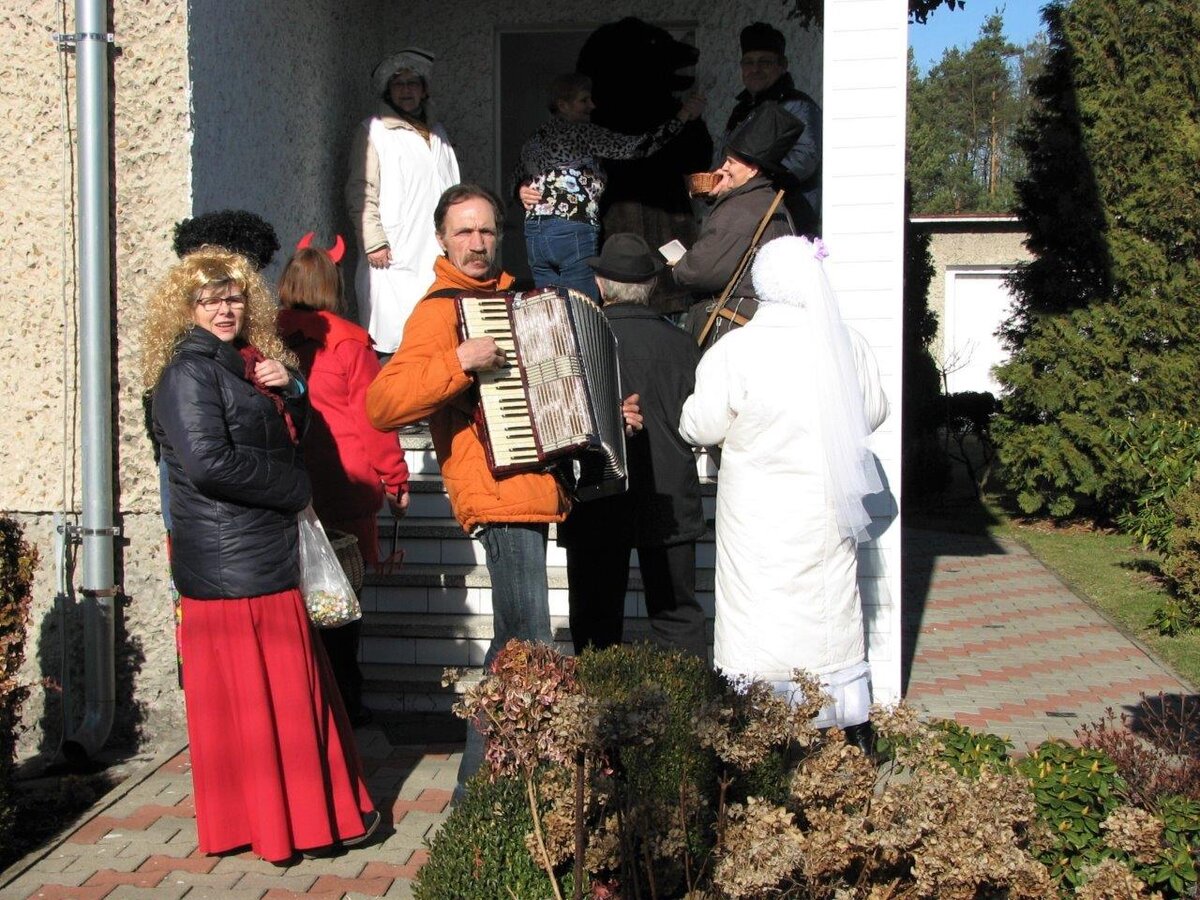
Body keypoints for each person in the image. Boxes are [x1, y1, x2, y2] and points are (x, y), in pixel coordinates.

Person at [365, 184, 642, 798]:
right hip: (497, 492)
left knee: (513, 644)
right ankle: (492, 795)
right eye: (463, 232)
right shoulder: (439, 312)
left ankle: (486, 794)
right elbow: (383, 405)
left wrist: (606, 416)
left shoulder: (525, 301)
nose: (477, 243)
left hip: (537, 490)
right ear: (442, 239)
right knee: (530, 646)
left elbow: (561, 395)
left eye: (486, 230)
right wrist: (459, 361)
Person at [143, 247, 378, 862]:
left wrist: (292, 387)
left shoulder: (243, 362)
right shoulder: (188, 373)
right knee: (265, 703)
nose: (225, 309)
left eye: (234, 297)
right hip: (232, 564)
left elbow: (280, 433)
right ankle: (288, 827)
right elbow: (208, 463)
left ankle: (293, 822)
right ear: (186, 308)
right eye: (210, 300)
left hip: (256, 551)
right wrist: (295, 489)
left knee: (283, 701)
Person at [678, 235, 889, 746]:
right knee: (829, 605)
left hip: (757, 511)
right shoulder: (848, 344)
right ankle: (848, 720)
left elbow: (700, 425)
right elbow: (874, 411)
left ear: (760, 285)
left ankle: (753, 725)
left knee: (755, 610)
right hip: (825, 506)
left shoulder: (736, 350)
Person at [277, 239, 411, 728]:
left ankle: (304, 701)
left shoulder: (268, 338)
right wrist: (395, 478)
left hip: (287, 489)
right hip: (344, 488)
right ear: (333, 286)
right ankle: (345, 703)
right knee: (341, 601)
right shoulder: (350, 341)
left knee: (294, 603)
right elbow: (374, 421)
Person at [558, 233, 707, 660]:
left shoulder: (574, 342)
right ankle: (687, 699)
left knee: (595, 620)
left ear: (600, 285)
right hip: (669, 494)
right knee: (677, 617)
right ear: (652, 285)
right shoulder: (682, 345)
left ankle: (598, 701)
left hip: (596, 492)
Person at [516, 72, 704, 302]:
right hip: (572, 227)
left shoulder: (535, 138)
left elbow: (518, 177)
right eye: (584, 100)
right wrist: (682, 116)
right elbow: (637, 147)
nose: (592, 106)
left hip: (535, 231)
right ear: (562, 105)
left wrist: (520, 191)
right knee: (583, 305)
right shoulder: (581, 131)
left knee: (548, 305)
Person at [347, 47, 460, 356]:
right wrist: (373, 240)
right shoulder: (374, 131)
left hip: (434, 250)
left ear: (424, 90)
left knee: (435, 332)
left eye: (413, 83)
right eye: (398, 84)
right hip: (393, 253)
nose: (406, 90)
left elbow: (452, 190)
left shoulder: (438, 133)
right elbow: (361, 189)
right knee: (392, 336)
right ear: (388, 90)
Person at [673, 102, 801, 345]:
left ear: (752, 170)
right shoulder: (768, 201)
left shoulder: (740, 209)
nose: (723, 168)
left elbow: (701, 271)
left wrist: (679, 268)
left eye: (731, 162)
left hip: (732, 330)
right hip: (758, 324)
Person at [721, 22, 822, 233]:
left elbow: (805, 158)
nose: (755, 69)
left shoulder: (798, 105)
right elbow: (729, 156)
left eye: (764, 62)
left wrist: (753, 176)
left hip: (786, 218)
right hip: (746, 218)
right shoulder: (741, 110)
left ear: (782, 65)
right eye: (748, 62)